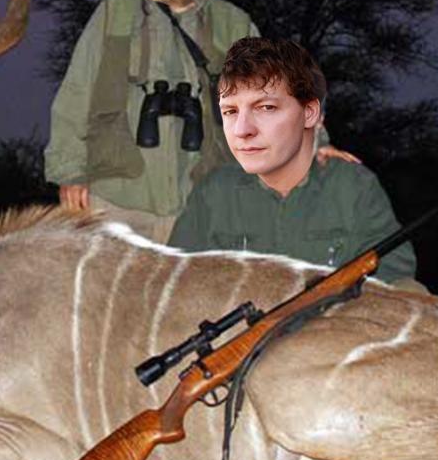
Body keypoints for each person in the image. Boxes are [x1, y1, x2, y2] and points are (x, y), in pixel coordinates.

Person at [42, 0, 259, 243]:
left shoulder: (233, 24)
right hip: (116, 202)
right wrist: (69, 172)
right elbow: (76, 95)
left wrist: (317, 144)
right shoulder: (115, 12)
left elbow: (273, 98)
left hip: (203, 204)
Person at [168, 37, 420, 288]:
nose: (243, 129)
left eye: (266, 108)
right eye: (233, 112)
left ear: (311, 115)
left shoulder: (353, 186)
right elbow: (176, 281)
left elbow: (395, 276)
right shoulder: (215, 192)